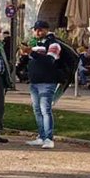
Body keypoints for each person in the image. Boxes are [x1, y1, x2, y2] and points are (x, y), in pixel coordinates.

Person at [24, 20, 64, 149]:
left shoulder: (54, 44)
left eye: (40, 29)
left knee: (45, 109)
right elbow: (32, 61)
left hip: (47, 81)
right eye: (35, 29)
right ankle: (41, 136)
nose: (37, 32)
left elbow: (49, 61)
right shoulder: (35, 43)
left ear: (46, 30)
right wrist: (25, 55)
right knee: (37, 110)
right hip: (35, 81)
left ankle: (48, 138)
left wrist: (32, 53)